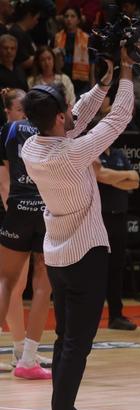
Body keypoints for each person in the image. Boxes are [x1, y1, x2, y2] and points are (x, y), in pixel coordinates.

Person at [21, 52, 133, 410]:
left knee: (66, 339)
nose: (72, 113)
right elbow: (116, 121)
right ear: (57, 119)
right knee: (76, 346)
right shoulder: (70, 153)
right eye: (66, 110)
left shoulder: (31, 146)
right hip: (86, 253)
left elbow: (79, 118)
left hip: (57, 254)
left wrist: (102, 85)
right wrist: (127, 75)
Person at [0, 87, 53, 380]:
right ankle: (28, 359)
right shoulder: (51, 127)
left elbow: (5, 172)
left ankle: (22, 352)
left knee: (6, 281)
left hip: (17, 207)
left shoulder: (9, 129)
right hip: (46, 209)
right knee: (43, 284)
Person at [96, 141, 140, 331]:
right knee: (97, 269)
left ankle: (116, 316)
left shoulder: (118, 154)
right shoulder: (92, 153)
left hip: (119, 217)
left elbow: (136, 181)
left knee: (116, 268)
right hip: (100, 218)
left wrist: (111, 177)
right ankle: (92, 317)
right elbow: (99, 175)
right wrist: (124, 177)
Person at [53, 7, 93, 97]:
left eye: (72, 16)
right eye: (66, 16)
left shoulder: (86, 38)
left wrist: (92, 84)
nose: (69, 19)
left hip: (82, 82)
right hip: (63, 79)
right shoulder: (57, 37)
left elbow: (92, 62)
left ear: (78, 20)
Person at [8, 0, 40, 71]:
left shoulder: (25, 33)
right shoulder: (16, 33)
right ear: (29, 16)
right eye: (36, 18)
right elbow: (22, 63)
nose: (37, 22)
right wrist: (42, 56)